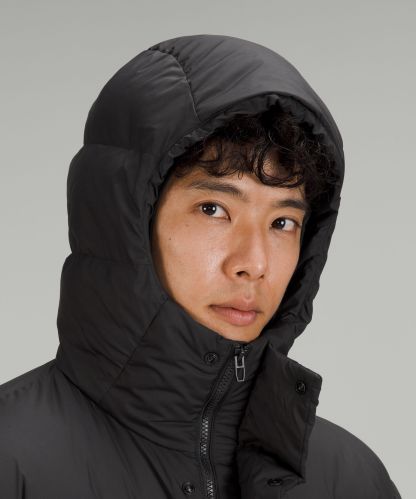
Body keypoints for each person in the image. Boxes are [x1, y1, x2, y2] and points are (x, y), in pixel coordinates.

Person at [0, 34, 401, 498]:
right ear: (124, 222)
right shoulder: (13, 459)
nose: (254, 263)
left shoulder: (350, 479)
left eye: (283, 222)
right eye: (214, 209)